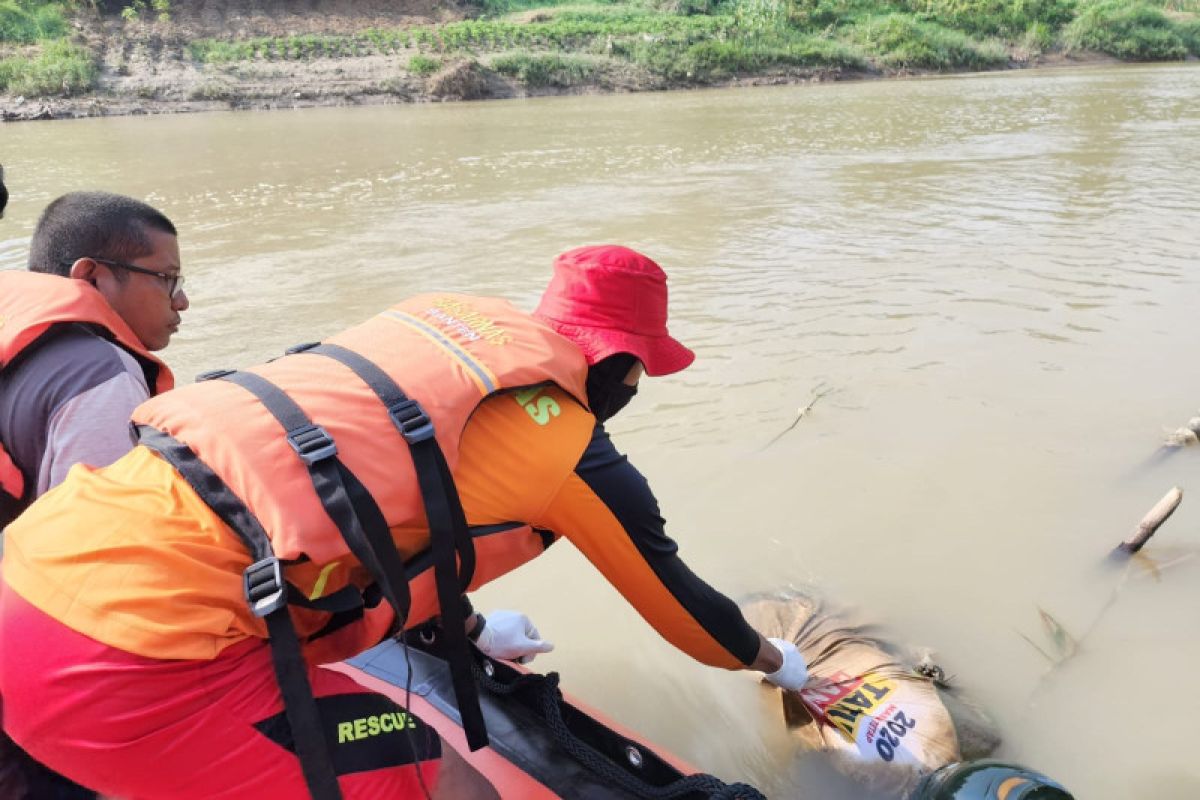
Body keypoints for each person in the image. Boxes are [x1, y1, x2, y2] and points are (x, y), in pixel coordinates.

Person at [0, 245, 807, 800]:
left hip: (31, 567)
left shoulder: (437, 327)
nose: (635, 386)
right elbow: (685, 611)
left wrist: (464, 622)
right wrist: (784, 665)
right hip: (128, 664)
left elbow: (354, 487)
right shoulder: (568, 445)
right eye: (640, 370)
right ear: (620, 364)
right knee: (450, 784)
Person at [0, 191, 188, 798]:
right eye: (167, 279)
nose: (182, 301)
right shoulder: (100, 376)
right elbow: (101, 570)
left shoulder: (14, 323)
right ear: (92, 276)